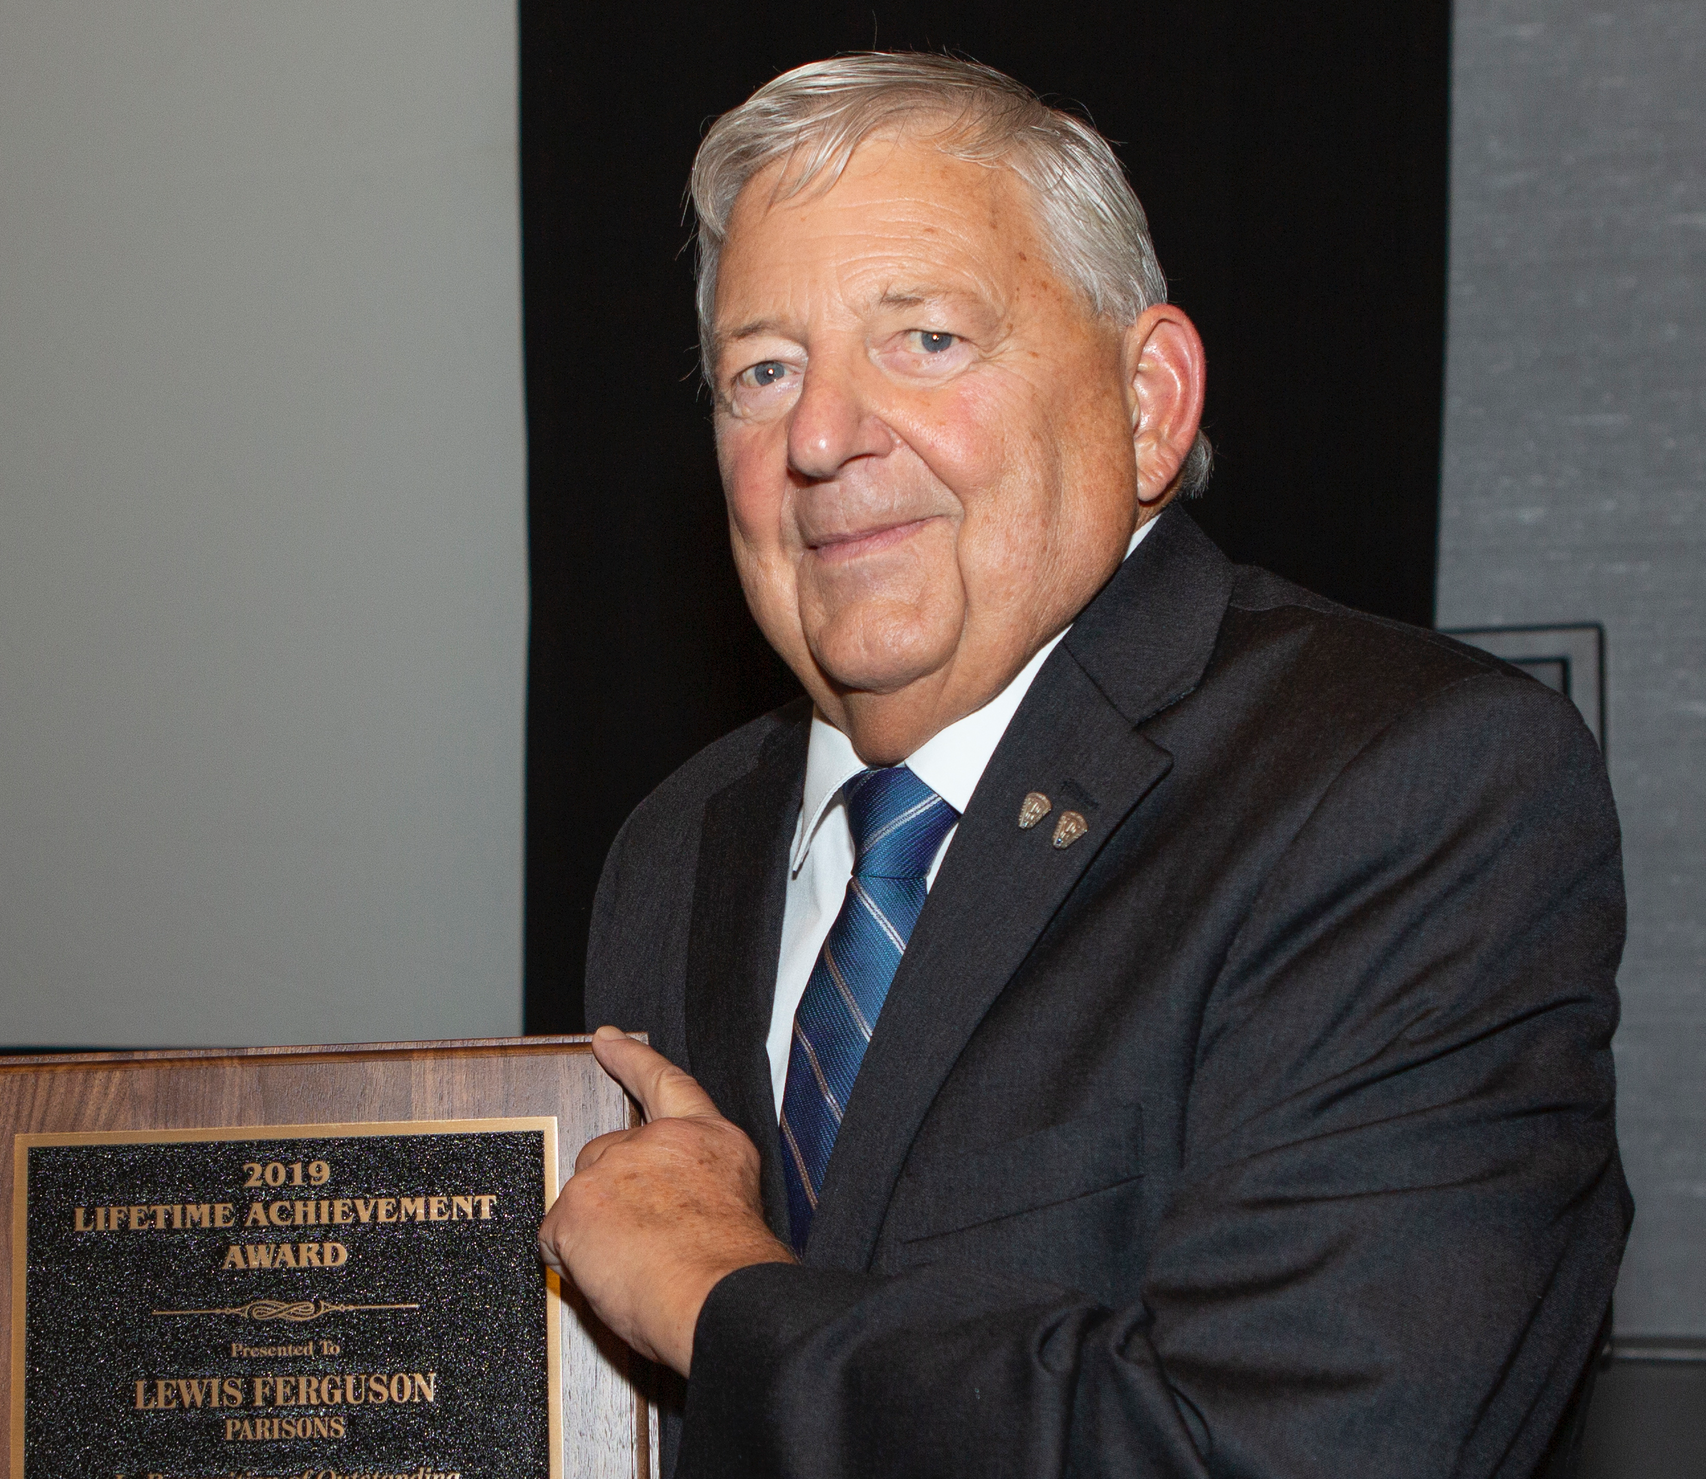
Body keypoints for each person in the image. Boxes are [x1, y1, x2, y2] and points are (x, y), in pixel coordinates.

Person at [537, 53, 1629, 1478]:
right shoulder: (672, 850)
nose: (818, 435)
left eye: (922, 338)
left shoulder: (1408, 790)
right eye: (762, 370)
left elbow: (1284, 1448)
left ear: (1147, 400)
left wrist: (719, 1297)